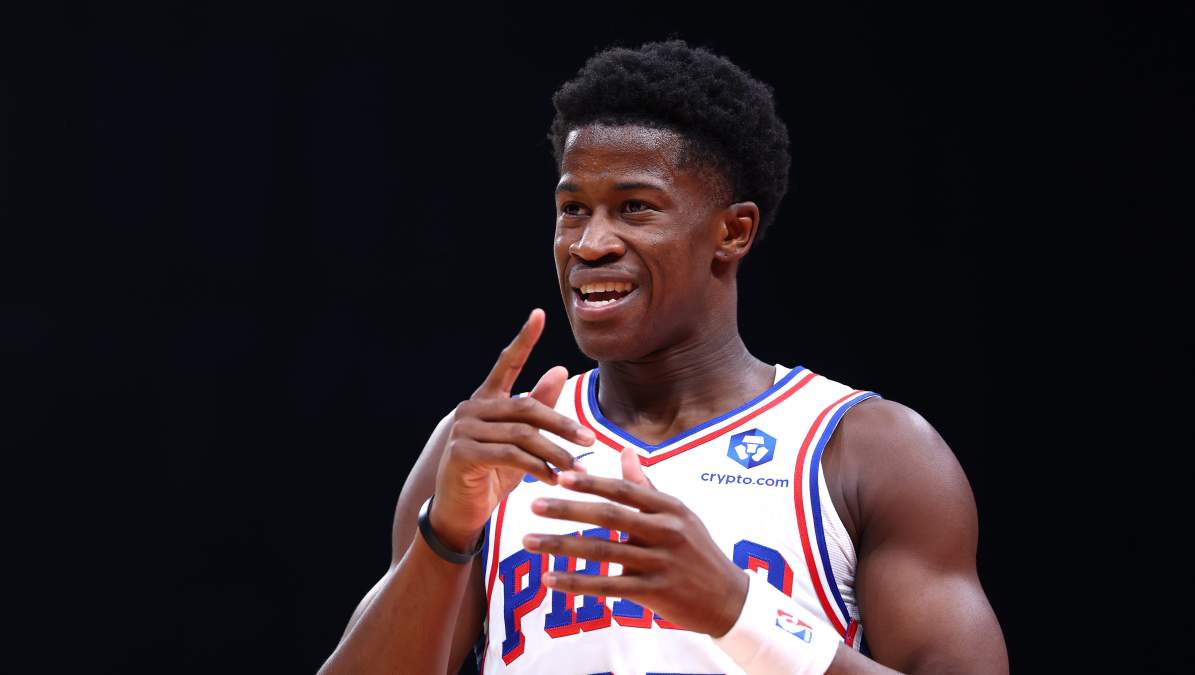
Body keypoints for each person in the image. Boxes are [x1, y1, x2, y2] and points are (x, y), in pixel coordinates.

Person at [319, 39, 1007, 675]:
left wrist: (739, 611)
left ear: (732, 231)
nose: (590, 243)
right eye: (573, 208)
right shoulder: (491, 450)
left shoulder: (866, 450)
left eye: (635, 207)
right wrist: (446, 532)